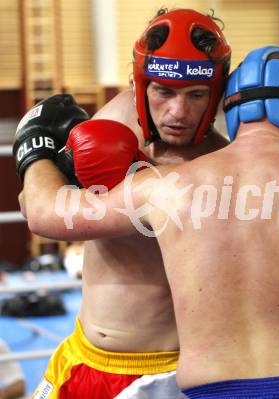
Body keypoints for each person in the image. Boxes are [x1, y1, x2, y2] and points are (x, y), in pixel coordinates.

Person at [17, 46, 279, 398]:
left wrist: (34, 149)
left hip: (208, 388)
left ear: (225, 104)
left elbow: (45, 214)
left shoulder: (165, 185)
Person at [15, 7, 230, 399]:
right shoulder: (116, 117)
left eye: (195, 95)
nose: (177, 112)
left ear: (216, 92)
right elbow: (31, 203)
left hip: (165, 376)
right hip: (81, 355)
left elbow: (46, 214)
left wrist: (34, 147)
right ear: (141, 85)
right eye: (163, 91)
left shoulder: (219, 169)